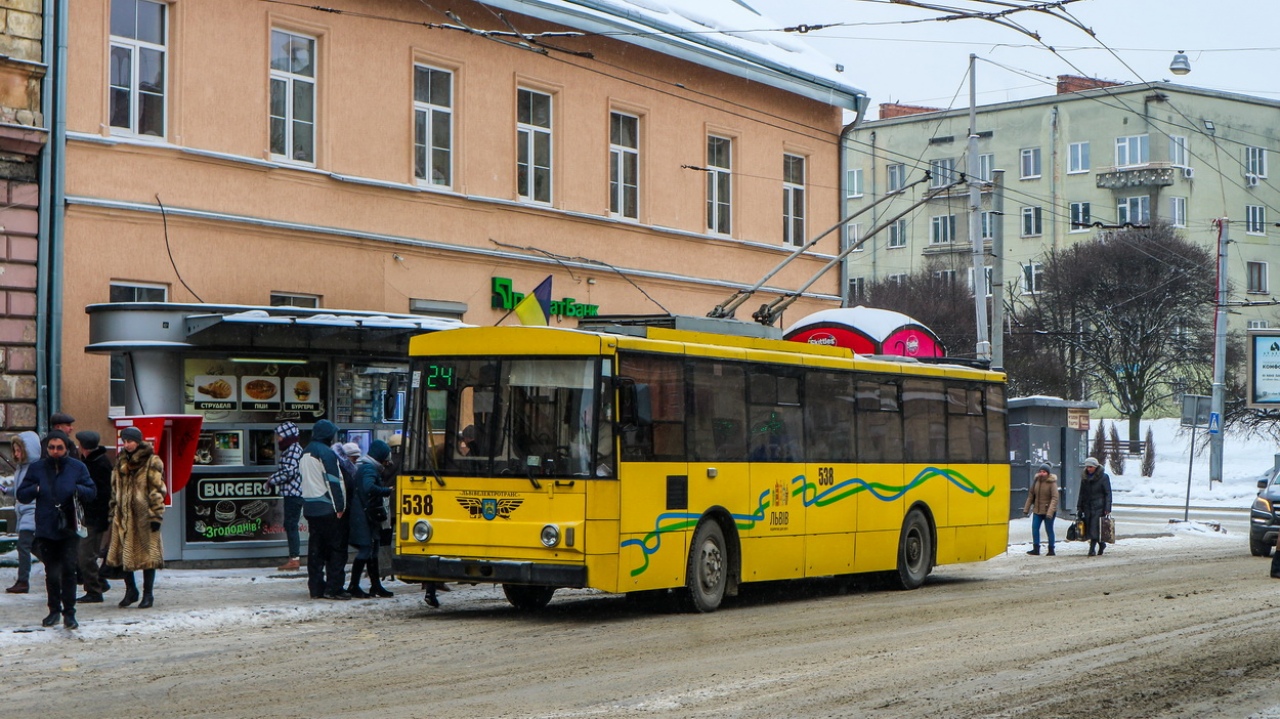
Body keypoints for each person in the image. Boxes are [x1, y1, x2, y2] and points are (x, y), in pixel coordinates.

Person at [16, 430, 95, 630]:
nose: (55, 451)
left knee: (68, 570)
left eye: (59, 447)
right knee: (51, 572)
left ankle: (70, 613)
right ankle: (53, 611)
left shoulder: (77, 468)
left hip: (69, 527)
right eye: (51, 447)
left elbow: (92, 491)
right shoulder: (37, 468)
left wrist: (76, 489)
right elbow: (22, 494)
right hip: (46, 527)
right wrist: (36, 490)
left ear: (66, 448)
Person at [106, 426, 166, 609]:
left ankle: (148, 594)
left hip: (144, 516)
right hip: (123, 516)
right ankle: (131, 590)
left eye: (130, 441)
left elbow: (157, 489)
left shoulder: (151, 460)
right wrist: (113, 510)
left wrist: (156, 515)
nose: (127, 444)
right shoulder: (121, 460)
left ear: (138, 441)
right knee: (123, 555)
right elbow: (115, 489)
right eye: (124, 441)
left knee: (148, 556)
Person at [303, 420, 349, 600]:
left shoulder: (305, 452)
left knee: (315, 550)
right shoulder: (326, 453)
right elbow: (334, 482)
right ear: (327, 436)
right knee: (336, 550)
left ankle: (315, 588)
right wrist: (340, 507)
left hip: (310, 507)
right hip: (327, 508)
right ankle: (334, 588)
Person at [346, 440, 393, 598]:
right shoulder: (369, 469)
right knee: (367, 548)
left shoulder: (367, 467)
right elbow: (368, 487)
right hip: (364, 516)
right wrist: (386, 491)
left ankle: (375, 586)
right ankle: (354, 585)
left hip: (366, 515)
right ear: (380, 456)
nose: (388, 461)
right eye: (386, 458)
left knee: (373, 548)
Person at [75, 431, 114, 602]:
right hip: (90, 516)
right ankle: (98, 582)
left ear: (83, 446)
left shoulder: (99, 464)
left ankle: (94, 589)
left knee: (86, 555)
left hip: (94, 517)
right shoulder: (91, 461)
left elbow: (101, 494)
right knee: (84, 553)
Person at [3, 431, 41, 594]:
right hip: (23, 511)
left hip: (31, 511)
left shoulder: (35, 469)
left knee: (23, 545)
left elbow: (32, 492)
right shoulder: (21, 468)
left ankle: (23, 581)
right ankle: (60, 570)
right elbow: (20, 491)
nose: (16, 454)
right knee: (36, 547)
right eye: (15, 450)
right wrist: (5, 490)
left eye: (19, 450)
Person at [264, 421, 304, 571]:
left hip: (294, 493)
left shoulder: (293, 450)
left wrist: (271, 480)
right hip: (292, 493)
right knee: (290, 524)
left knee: (290, 524)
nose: (277, 439)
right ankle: (294, 558)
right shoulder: (291, 449)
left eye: (279, 436)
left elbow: (289, 472)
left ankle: (294, 559)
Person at [1076, 456, 1113, 556]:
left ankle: (1092, 548)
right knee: (1089, 527)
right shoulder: (1085, 478)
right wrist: (1079, 507)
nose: (1089, 469)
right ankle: (1101, 544)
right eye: (1087, 467)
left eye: (1091, 467)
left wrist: (1107, 508)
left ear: (1096, 467)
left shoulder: (1104, 477)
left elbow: (1107, 493)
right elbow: (1082, 493)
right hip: (1087, 506)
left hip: (1099, 506)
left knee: (1094, 527)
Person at [1022, 463, 1059, 556]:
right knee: (1035, 528)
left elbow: (1055, 498)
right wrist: (1026, 509)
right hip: (1037, 510)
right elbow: (1031, 496)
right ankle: (1036, 549)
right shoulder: (1036, 482)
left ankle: (1051, 549)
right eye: (1040, 471)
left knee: (1049, 529)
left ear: (1048, 473)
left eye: (1044, 472)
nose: (1042, 473)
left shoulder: (1052, 483)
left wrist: (1050, 512)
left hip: (1048, 511)